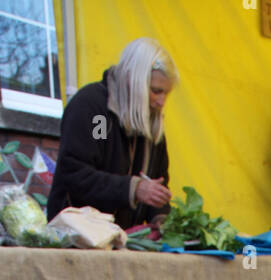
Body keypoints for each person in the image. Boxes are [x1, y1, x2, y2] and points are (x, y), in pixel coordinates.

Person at [47, 37, 176, 229]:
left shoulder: (153, 126)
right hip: (79, 238)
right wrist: (133, 188)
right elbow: (79, 175)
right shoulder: (99, 116)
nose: (161, 102)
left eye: (166, 93)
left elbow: (158, 186)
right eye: (156, 91)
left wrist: (160, 218)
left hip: (122, 241)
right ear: (134, 81)